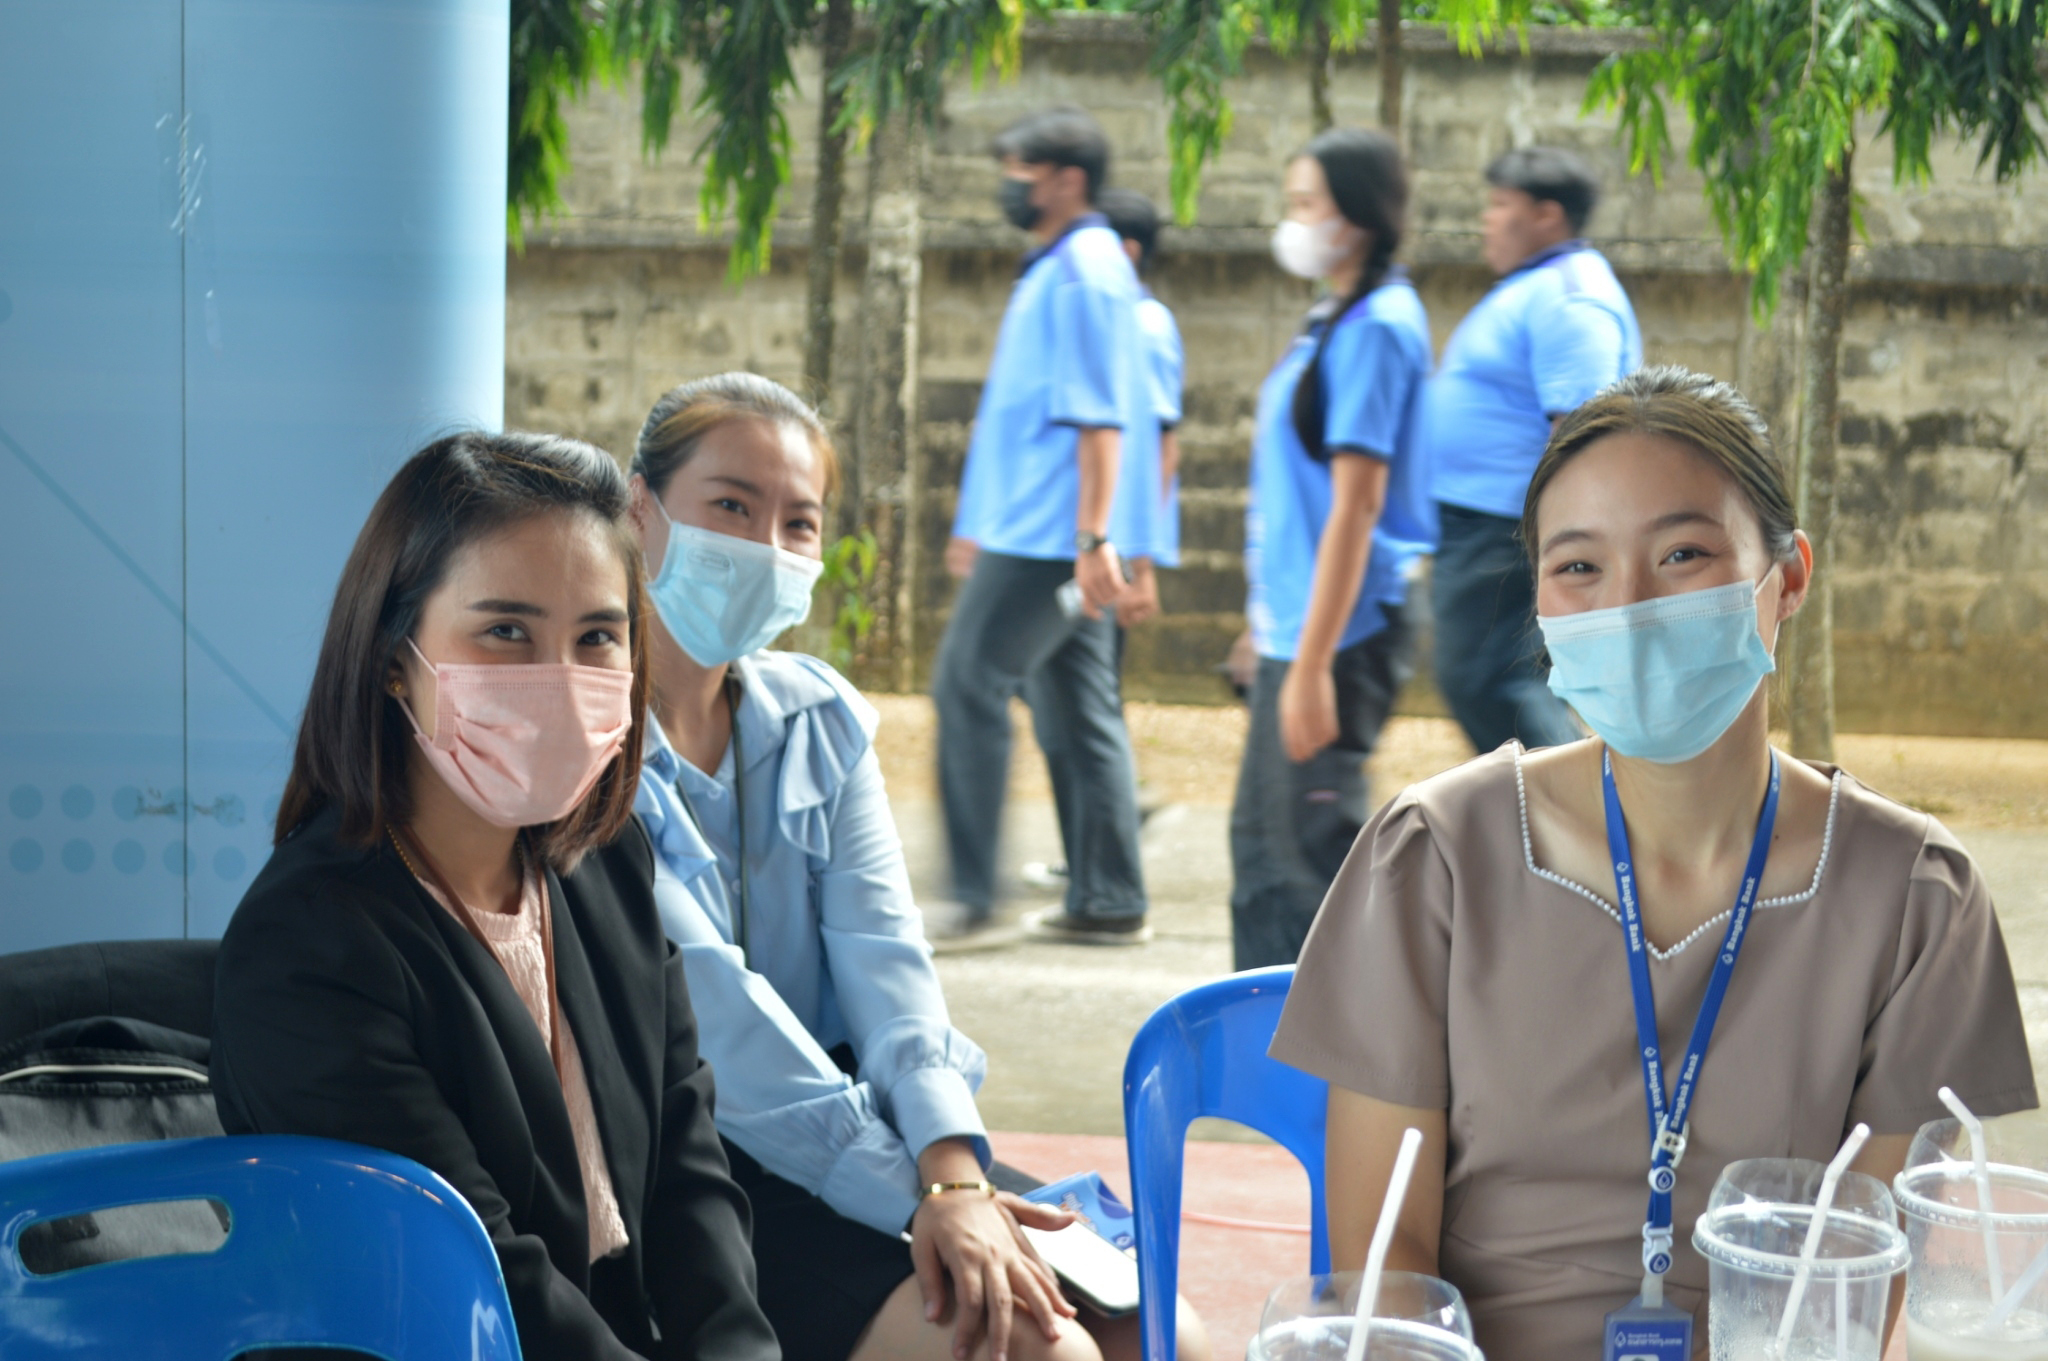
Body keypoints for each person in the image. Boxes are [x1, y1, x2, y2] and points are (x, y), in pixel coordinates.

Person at [1273, 367, 2037, 1359]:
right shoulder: (1433, 857)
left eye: (1681, 552)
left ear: (1787, 577)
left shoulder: (1913, 899)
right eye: (1577, 566)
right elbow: (1390, 1274)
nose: (1625, 606)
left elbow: (1860, 1292)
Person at [627, 373, 1211, 1361]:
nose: (765, 547)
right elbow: (719, 1024)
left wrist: (952, 1169)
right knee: (1038, 1350)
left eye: (798, 523)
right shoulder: (591, 746)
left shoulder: (819, 717)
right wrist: (925, 1196)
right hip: (700, 1161)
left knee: (1167, 1333)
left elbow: (889, 969)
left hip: (874, 1125)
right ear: (639, 513)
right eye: (730, 505)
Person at [211, 432, 779, 1361]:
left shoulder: (605, 861)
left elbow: (686, 1163)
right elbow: (475, 1276)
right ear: (395, 657)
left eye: (597, 635)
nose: (560, 677)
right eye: (505, 630)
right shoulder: (309, 946)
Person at [934, 106, 1162, 946]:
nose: (1008, 181)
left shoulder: (1083, 272)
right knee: (1076, 705)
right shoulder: (1063, 266)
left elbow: (1100, 418)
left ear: (1067, 178)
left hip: (1048, 537)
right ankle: (1107, 898)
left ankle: (970, 894)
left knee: (967, 684)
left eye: (1020, 166)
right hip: (1037, 526)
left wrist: (1093, 538)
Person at [1229, 128, 1434, 971]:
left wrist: (1312, 663)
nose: (1296, 221)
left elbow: (1358, 505)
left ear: (1358, 216)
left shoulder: (1379, 326)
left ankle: (1332, 1073)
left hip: (1341, 633)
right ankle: (1273, 1058)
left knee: (1304, 860)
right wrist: (1265, 626)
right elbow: (1297, 501)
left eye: (1310, 203)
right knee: (1263, 852)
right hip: (1300, 625)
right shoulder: (1331, 321)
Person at [1422, 145, 1643, 755]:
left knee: (1495, 681)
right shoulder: (1537, 287)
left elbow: (1584, 433)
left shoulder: (1572, 298)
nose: (1487, 221)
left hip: (1507, 532)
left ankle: (1571, 819)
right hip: (1483, 525)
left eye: (1500, 206)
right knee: (1492, 681)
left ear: (1547, 216)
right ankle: (1552, 818)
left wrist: (1562, 545)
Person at [1020, 188, 1183, 897]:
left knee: (1082, 708)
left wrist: (1139, 558)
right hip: (1077, 541)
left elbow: (1155, 450)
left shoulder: (1144, 326)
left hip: (1103, 547)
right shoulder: (1107, 319)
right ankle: (1090, 853)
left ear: (1128, 252)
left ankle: (1108, 867)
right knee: (1059, 704)